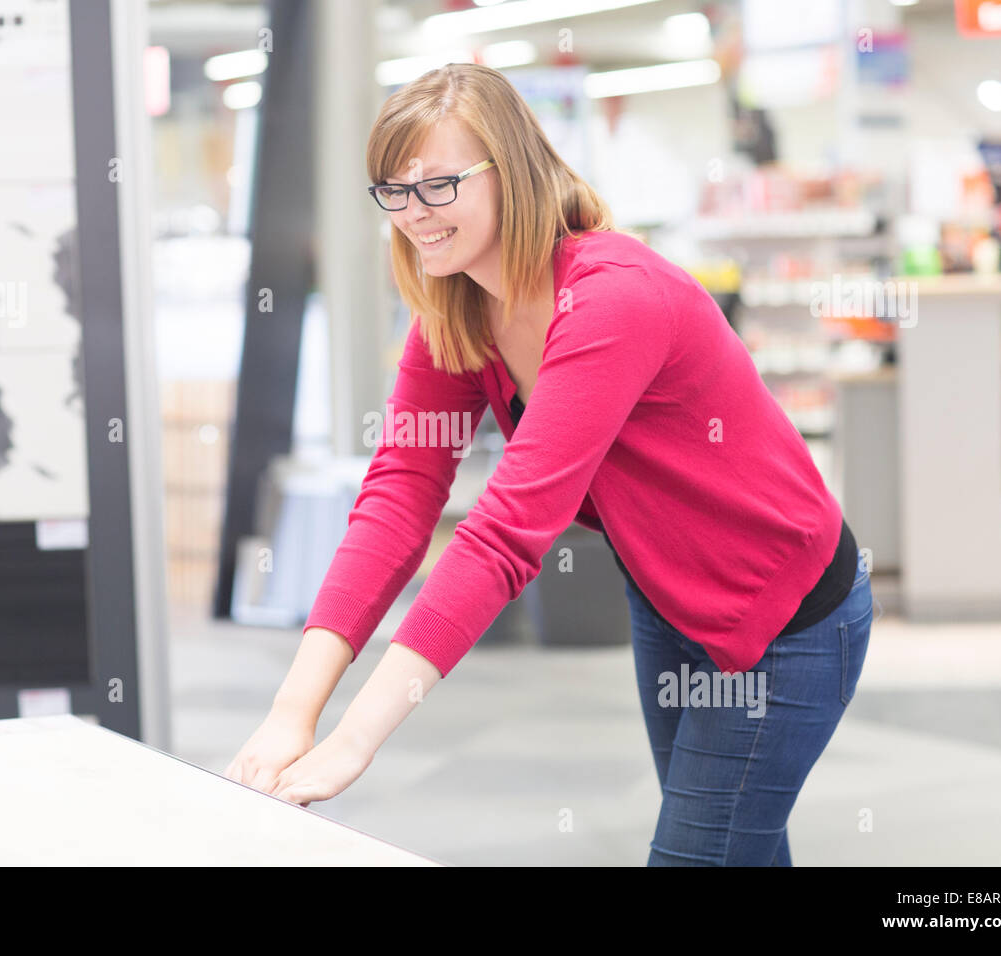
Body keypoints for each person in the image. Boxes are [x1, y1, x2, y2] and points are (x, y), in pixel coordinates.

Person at [224, 63, 873, 866]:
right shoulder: (456, 308)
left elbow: (505, 535)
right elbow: (398, 497)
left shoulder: (611, 298)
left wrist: (355, 739)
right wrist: (292, 713)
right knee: (736, 847)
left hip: (786, 612)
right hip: (666, 597)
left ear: (512, 170)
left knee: (701, 851)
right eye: (394, 190)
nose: (413, 212)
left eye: (438, 184)